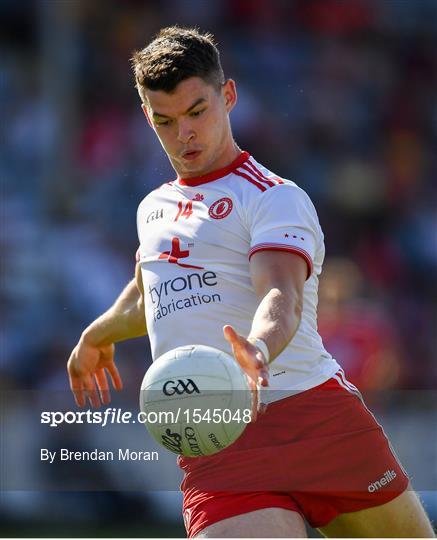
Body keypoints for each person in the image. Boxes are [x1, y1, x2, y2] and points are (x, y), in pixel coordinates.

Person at [67, 26, 434, 538]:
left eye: (198, 112)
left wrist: (259, 347)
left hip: (314, 416)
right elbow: (152, 292)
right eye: (165, 121)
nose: (184, 134)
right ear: (148, 117)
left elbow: (281, 294)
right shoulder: (153, 209)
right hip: (216, 437)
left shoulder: (272, 197)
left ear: (229, 96)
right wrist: (97, 333)